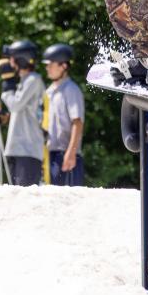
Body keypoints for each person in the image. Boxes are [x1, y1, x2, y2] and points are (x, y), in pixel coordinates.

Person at [0, 39, 45, 186]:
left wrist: (7, 87)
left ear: (21, 60)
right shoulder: (24, 81)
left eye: (12, 58)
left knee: (26, 194)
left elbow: (15, 105)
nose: (10, 62)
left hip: (28, 149)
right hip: (16, 148)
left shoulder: (33, 80)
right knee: (15, 194)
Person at [42, 43, 86, 187]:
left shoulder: (71, 90)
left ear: (63, 66)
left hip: (67, 155)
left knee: (70, 198)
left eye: (50, 64)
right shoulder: (49, 91)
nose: (47, 68)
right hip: (51, 153)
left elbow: (77, 122)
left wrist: (71, 153)